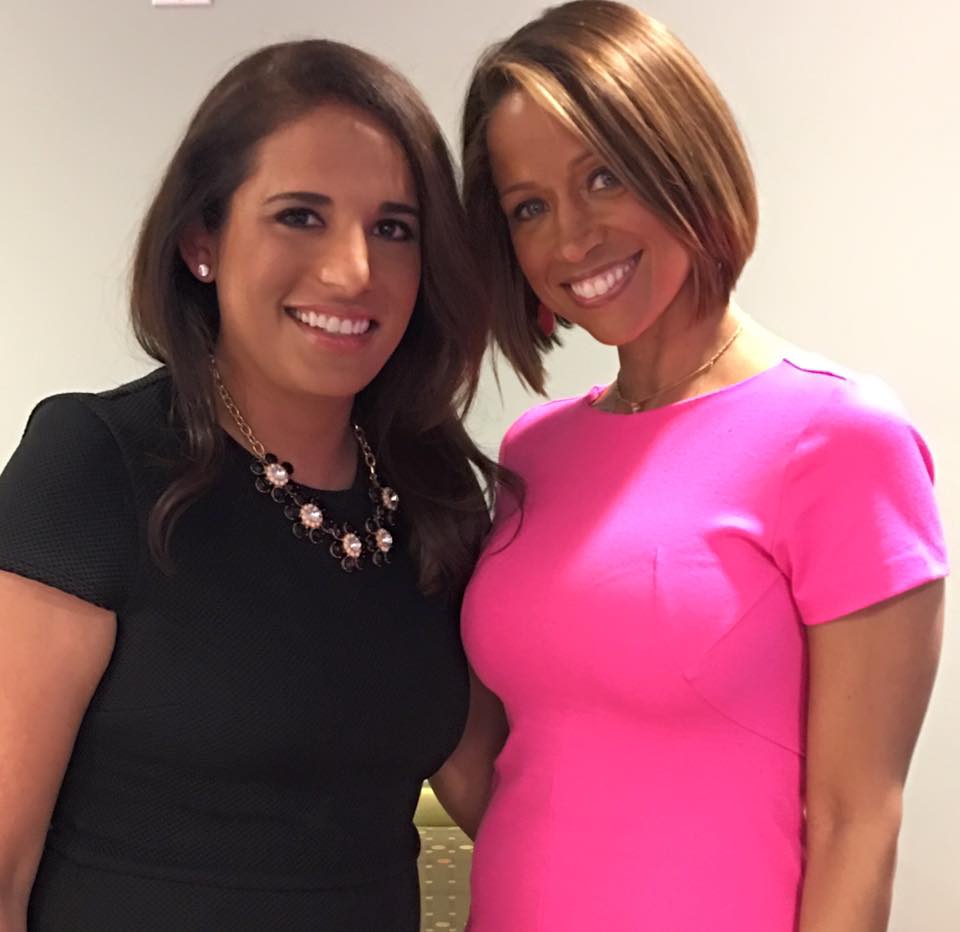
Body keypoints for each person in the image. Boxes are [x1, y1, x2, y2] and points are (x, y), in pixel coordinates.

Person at [451, 2, 948, 929]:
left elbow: (858, 821)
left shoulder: (841, 436)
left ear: (679, 155)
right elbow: (528, 772)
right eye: (529, 208)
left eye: (603, 176)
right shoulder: (533, 451)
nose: (571, 238)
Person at [0, 39, 499, 931]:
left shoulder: (431, 493)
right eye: (300, 216)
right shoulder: (96, 463)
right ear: (203, 242)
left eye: (394, 228)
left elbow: (497, 790)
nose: (353, 270)